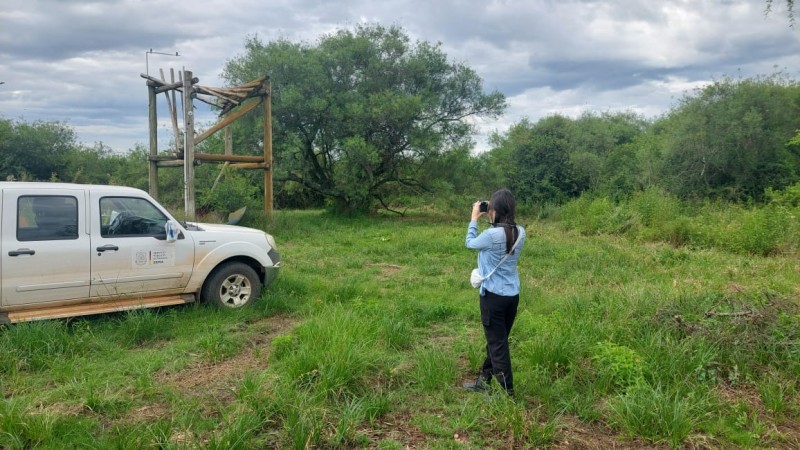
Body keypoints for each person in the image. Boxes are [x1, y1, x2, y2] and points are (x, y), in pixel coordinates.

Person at [463, 188, 526, 397]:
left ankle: (509, 393)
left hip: (493, 297)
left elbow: (470, 243)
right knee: (497, 340)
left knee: (498, 345)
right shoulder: (520, 232)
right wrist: (491, 214)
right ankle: (484, 380)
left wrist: (475, 217)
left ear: (496, 209)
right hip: (512, 296)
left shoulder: (491, 235)